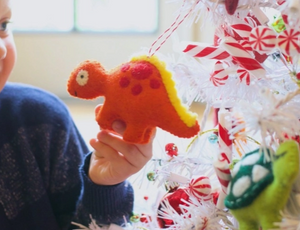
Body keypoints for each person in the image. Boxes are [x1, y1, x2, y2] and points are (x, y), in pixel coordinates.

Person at [0, 0, 154, 229]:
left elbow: (82, 221)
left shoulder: (41, 122)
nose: (2, 49)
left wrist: (103, 187)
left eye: (3, 26)